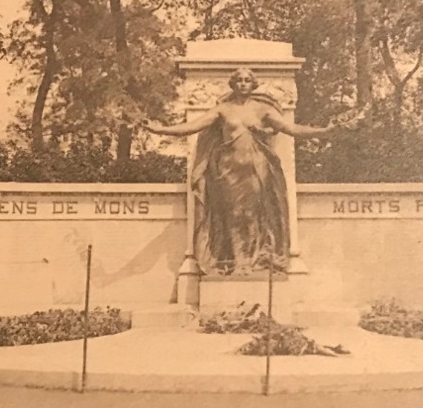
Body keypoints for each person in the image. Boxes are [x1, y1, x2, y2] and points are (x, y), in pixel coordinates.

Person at [146, 68, 341, 275]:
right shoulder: (223, 109)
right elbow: (192, 126)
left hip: (257, 170)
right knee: (232, 214)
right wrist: (161, 130)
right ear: (233, 83)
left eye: (247, 80)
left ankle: (250, 261)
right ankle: (237, 261)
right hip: (228, 171)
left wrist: (324, 131)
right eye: (239, 80)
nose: (243, 83)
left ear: (253, 84)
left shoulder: (263, 110)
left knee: (252, 215)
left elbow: (291, 129)